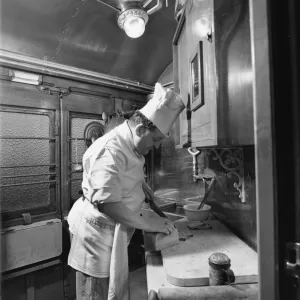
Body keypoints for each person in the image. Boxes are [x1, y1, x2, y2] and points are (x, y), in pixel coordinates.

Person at [67, 82, 185, 300]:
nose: (157, 146)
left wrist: (140, 184)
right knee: (95, 294)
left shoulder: (132, 143)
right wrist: (149, 224)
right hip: (95, 234)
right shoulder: (109, 149)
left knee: (112, 288)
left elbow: (120, 175)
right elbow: (107, 203)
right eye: (156, 139)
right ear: (140, 129)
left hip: (112, 232)